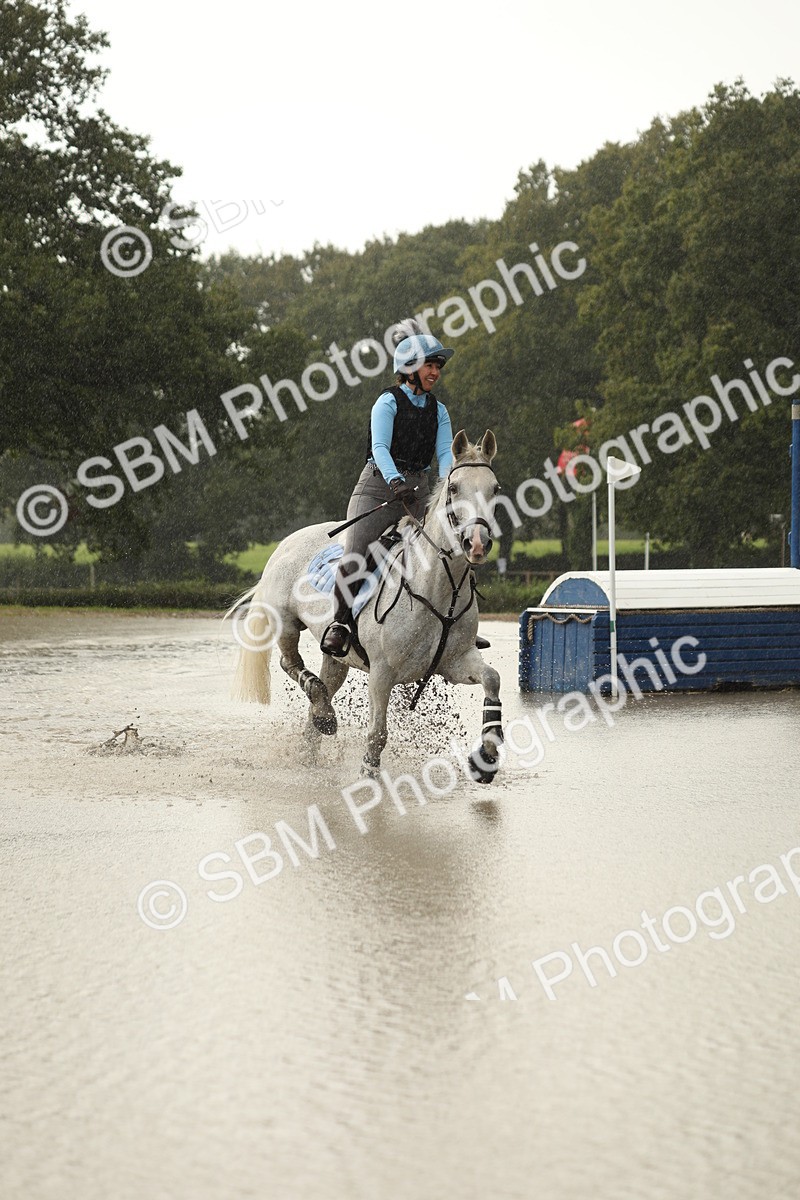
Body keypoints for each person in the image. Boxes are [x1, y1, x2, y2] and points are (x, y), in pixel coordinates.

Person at [320, 320, 455, 657]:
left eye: (438, 366)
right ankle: (339, 624)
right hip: (378, 489)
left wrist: (447, 489)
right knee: (356, 557)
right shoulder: (387, 403)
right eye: (430, 365)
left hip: (420, 493)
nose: (435, 372)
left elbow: (444, 456)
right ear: (409, 367)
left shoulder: (439, 411)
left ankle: (455, 626)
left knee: (450, 549)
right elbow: (379, 449)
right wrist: (396, 480)